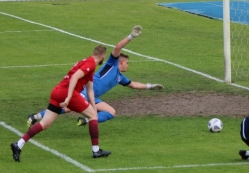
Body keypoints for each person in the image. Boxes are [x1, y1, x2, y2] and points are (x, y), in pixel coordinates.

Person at [26, 25, 164, 128]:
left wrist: (151, 86)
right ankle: (36, 116)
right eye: (127, 63)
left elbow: (134, 85)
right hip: (86, 91)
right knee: (67, 108)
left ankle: (86, 120)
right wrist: (131, 36)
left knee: (111, 112)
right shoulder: (111, 64)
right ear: (121, 62)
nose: (128, 66)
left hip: (95, 97)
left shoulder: (120, 78)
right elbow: (117, 48)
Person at [10, 45, 110, 162]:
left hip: (57, 91)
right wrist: (68, 97)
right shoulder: (91, 64)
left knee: (45, 124)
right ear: (103, 56)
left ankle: (18, 144)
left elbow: (90, 90)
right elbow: (74, 78)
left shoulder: (87, 62)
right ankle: (96, 150)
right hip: (68, 93)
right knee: (93, 116)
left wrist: (93, 107)